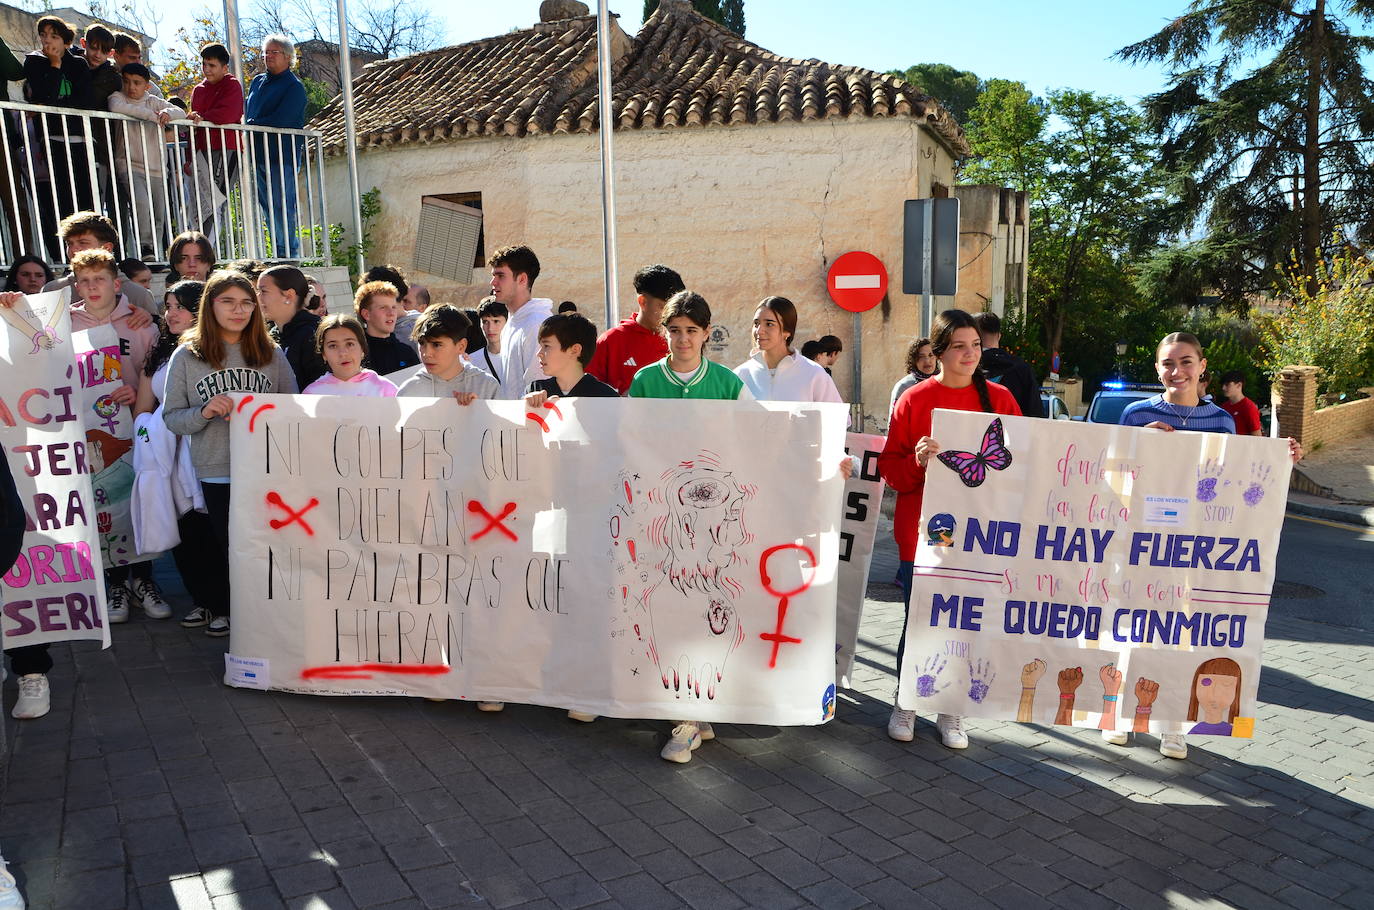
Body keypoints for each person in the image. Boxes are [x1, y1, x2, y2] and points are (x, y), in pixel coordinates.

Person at [1115, 332, 1302, 759]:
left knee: (1182, 633)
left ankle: (1173, 724)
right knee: (1130, 628)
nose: (1176, 371)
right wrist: (1139, 444)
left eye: (1185, 362)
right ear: (1157, 368)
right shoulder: (1133, 412)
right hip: (1139, 540)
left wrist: (1282, 457)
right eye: (1167, 363)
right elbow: (1109, 474)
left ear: (1202, 367)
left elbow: (1233, 480)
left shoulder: (1221, 420)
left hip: (1194, 546)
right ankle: (1122, 716)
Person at [879, 309, 1022, 750]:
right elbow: (890, 468)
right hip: (923, 530)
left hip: (980, 534)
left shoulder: (1000, 399)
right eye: (959, 346)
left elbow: (1022, 464)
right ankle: (907, 700)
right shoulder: (914, 399)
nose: (969, 354)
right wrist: (918, 462)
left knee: (966, 623)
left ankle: (951, 708)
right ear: (938, 352)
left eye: (975, 345)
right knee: (919, 618)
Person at [627, 291, 749, 762]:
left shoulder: (727, 384)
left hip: (713, 526)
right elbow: (628, 440)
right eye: (674, 330)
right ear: (665, 332)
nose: (682, 339)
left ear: (706, 333)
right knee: (670, 611)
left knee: (708, 610)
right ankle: (686, 718)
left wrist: (824, 461)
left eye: (691, 331)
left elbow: (764, 437)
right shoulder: (644, 381)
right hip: (662, 521)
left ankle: (696, 710)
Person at [162, 270, 298, 637]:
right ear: (211, 305)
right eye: (228, 302)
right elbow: (172, 419)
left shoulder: (271, 355)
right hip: (218, 467)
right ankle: (234, 616)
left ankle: (271, 619)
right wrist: (204, 412)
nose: (238, 310)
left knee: (269, 547)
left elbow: (294, 412)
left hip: (266, 469)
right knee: (229, 546)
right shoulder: (188, 356)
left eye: (246, 302)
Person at [65, 249, 166, 622]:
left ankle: (145, 580)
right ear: (77, 285)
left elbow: (154, 374)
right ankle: (116, 586)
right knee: (104, 505)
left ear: (115, 283)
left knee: (138, 501)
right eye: (85, 281)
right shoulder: (66, 324)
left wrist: (132, 391)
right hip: (90, 432)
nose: (92, 287)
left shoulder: (140, 325)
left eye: (100, 279)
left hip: (134, 428)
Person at [132, 279, 220, 628]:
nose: (171, 314)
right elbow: (142, 407)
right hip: (164, 452)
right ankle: (200, 599)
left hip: (202, 450)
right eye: (167, 306)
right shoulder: (160, 351)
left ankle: (223, 604)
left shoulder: (211, 351)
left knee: (209, 530)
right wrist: (151, 435)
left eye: (179, 306)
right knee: (182, 533)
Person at [23, 16, 96, 248]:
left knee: (86, 197)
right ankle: (67, 249)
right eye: (43, 35)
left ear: (66, 42)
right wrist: (54, 65)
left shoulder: (78, 64)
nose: (47, 41)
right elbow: (45, 96)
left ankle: (90, 246)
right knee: (61, 197)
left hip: (80, 137)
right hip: (53, 137)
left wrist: (53, 104)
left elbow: (85, 101)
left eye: (54, 36)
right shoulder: (34, 62)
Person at [108, 62, 182, 257]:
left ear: (147, 86)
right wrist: (152, 117)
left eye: (137, 83)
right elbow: (116, 107)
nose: (131, 87)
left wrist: (167, 113)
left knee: (159, 214)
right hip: (129, 164)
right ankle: (145, 247)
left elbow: (180, 112)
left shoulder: (154, 101)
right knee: (141, 203)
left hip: (157, 167)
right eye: (127, 82)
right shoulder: (118, 97)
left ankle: (155, 253)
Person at [245, 35, 306, 258]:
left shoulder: (294, 86)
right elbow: (249, 112)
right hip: (259, 154)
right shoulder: (257, 82)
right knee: (267, 207)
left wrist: (252, 124)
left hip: (282, 155)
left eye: (274, 52)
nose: (268, 56)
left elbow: (283, 119)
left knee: (282, 205)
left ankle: (288, 252)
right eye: (266, 52)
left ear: (288, 57)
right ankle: (279, 250)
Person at [586, 264, 681, 395]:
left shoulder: (681, 340)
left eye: (674, 309)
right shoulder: (611, 341)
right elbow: (588, 394)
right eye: (663, 307)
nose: (670, 315)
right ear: (642, 301)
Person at [734, 296, 846, 404]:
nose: (759, 331)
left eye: (769, 324)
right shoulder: (740, 375)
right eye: (756, 323)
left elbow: (838, 420)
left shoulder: (814, 374)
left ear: (787, 331)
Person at [45, 211, 159, 316]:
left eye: (83, 243)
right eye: (69, 244)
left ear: (107, 248)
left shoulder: (139, 295)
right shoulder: (53, 290)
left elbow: (156, 335)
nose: (74, 250)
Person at [187, 42, 243, 239]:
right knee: (200, 203)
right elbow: (194, 124)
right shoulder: (198, 90)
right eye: (204, 65)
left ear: (224, 67)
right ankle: (200, 245)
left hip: (225, 148)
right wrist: (189, 157)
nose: (206, 70)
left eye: (212, 65)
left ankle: (207, 249)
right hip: (202, 151)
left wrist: (204, 117)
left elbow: (230, 113)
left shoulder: (232, 84)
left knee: (216, 201)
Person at [396, 305, 500, 401]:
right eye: (421, 343)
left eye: (436, 345)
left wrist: (480, 409)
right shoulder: (409, 391)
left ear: (461, 346)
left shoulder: (487, 387)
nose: (426, 353)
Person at [488, 245, 552, 398]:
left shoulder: (537, 324)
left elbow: (539, 389)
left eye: (500, 276)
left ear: (522, 279)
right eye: (493, 276)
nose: (493, 282)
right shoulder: (512, 322)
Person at [258, 264, 326, 389]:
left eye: (263, 291)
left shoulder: (315, 335)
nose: (258, 297)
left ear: (289, 295)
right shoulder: (272, 335)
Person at [525, 313, 618, 403]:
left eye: (546, 346)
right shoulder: (535, 390)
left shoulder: (606, 397)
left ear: (575, 350)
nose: (539, 353)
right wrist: (526, 406)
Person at [303, 314, 399, 397]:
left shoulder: (385, 389)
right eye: (333, 346)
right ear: (323, 354)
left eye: (349, 344)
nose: (343, 353)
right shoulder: (312, 395)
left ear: (362, 348)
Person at [972, 311, 1043, 418]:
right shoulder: (1022, 369)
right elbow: (1035, 413)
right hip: (1012, 432)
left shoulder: (964, 367)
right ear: (999, 336)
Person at [353, 280, 416, 375]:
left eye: (394, 307)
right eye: (383, 307)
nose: (391, 313)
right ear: (366, 314)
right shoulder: (356, 356)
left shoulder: (406, 352)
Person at [890, 337, 937, 415]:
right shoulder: (904, 387)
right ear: (914, 360)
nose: (927, 360)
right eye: (921, 356)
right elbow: (893, 420)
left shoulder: (945, 383)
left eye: (931, 355)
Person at [1218, 370, 1263, 436]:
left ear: (1239, 385)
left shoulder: (1249, 407)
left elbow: (1257, 436)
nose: (1223, 388)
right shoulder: (1224, 407)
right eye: (1223, 385)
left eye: (1227, 384)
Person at [473, 297, 506, 383]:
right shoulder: (471, 361)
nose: (490, 328)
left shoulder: (518, 357)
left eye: (496, 321)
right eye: (485, 322)